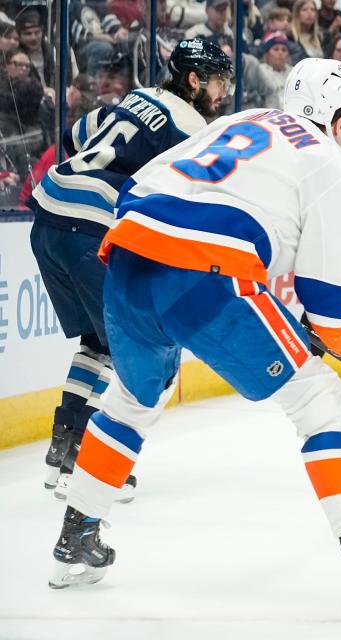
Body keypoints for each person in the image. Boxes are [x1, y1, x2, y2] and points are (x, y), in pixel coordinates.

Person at [46, 58, 341, 617]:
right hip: (206, 277)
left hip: (126, 260)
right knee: (316, 399)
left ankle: (75, 540)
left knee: (133, 397)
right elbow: (334, 310)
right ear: (340, 118)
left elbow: (144, 187)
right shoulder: (332, 168)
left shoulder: (236, 121)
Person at [28, 38, 233, 501]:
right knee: (128, 348)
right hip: (89, 226)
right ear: (194, 79)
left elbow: (73, 138)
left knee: (96, 343)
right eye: (217, 82)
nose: (222, 94)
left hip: (48, 215)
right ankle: (86, 461)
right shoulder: (192, 126)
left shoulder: (135, 97)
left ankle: (62, 451)